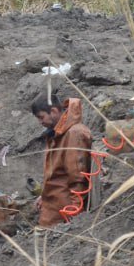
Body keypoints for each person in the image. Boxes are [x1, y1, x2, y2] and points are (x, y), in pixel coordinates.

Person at [31, 93, 93, 227]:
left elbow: (78, 178)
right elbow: (57, 175)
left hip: (62, 212)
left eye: (41, 117)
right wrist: (45, 195)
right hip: (54, 208)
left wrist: (75, 213)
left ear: (53, 111)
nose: (40, 122)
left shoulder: (74, 134)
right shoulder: (57, 134)